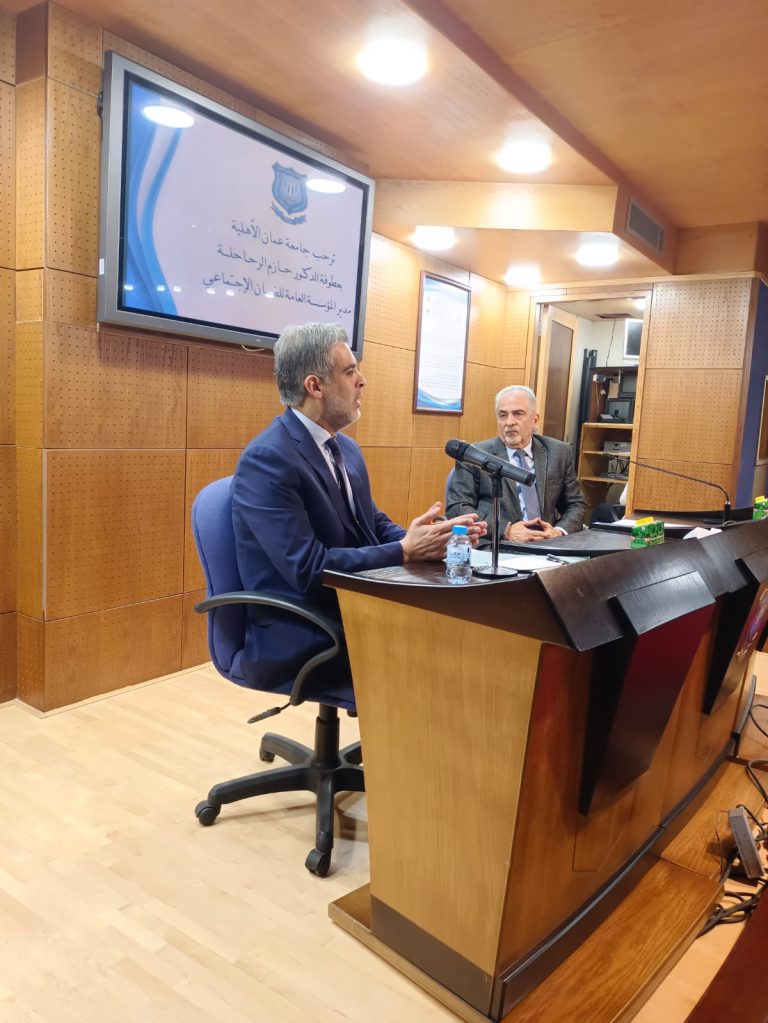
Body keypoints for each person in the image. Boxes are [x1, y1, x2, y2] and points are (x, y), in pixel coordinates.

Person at [232, 322, 485, 691]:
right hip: (305, 628)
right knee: (443, 650)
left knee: (464, 630)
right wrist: (405, 551)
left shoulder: (345, 447)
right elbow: (308, 570)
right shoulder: (268, 459)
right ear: (315, 386)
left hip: (355, 604)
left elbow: (372, 523)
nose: (362, 381)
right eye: (350, 372)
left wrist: (431, 541)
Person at [446, 385, 586, 543]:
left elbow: (576, 504)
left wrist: (558, 532)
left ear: (535, 420)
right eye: (503, 415)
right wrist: (505, 530)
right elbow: (457, 508)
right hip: (499, 544)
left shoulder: (558, 452)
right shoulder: (474, 456)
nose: (509, 422)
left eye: (518, 414)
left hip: (548, 544)